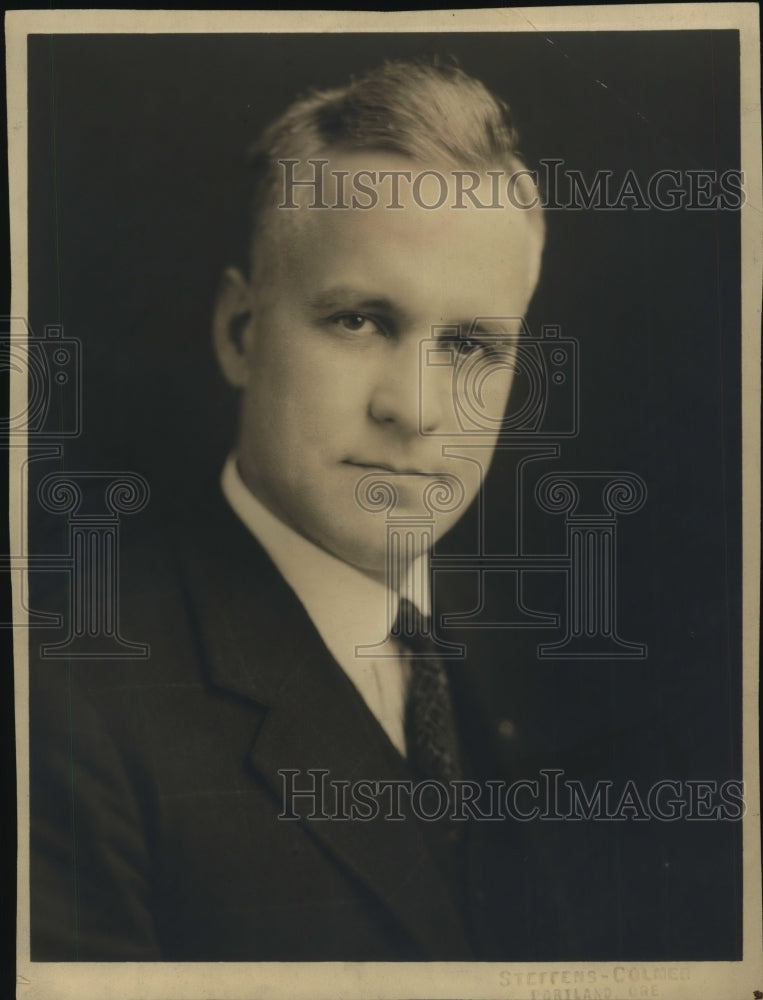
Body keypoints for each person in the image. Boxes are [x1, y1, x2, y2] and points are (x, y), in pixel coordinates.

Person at [29, 58, 736, 964]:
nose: (413, 407)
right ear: (241, 331)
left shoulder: (539, 666)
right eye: (359, 320)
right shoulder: (66, 710)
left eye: (472, 345)